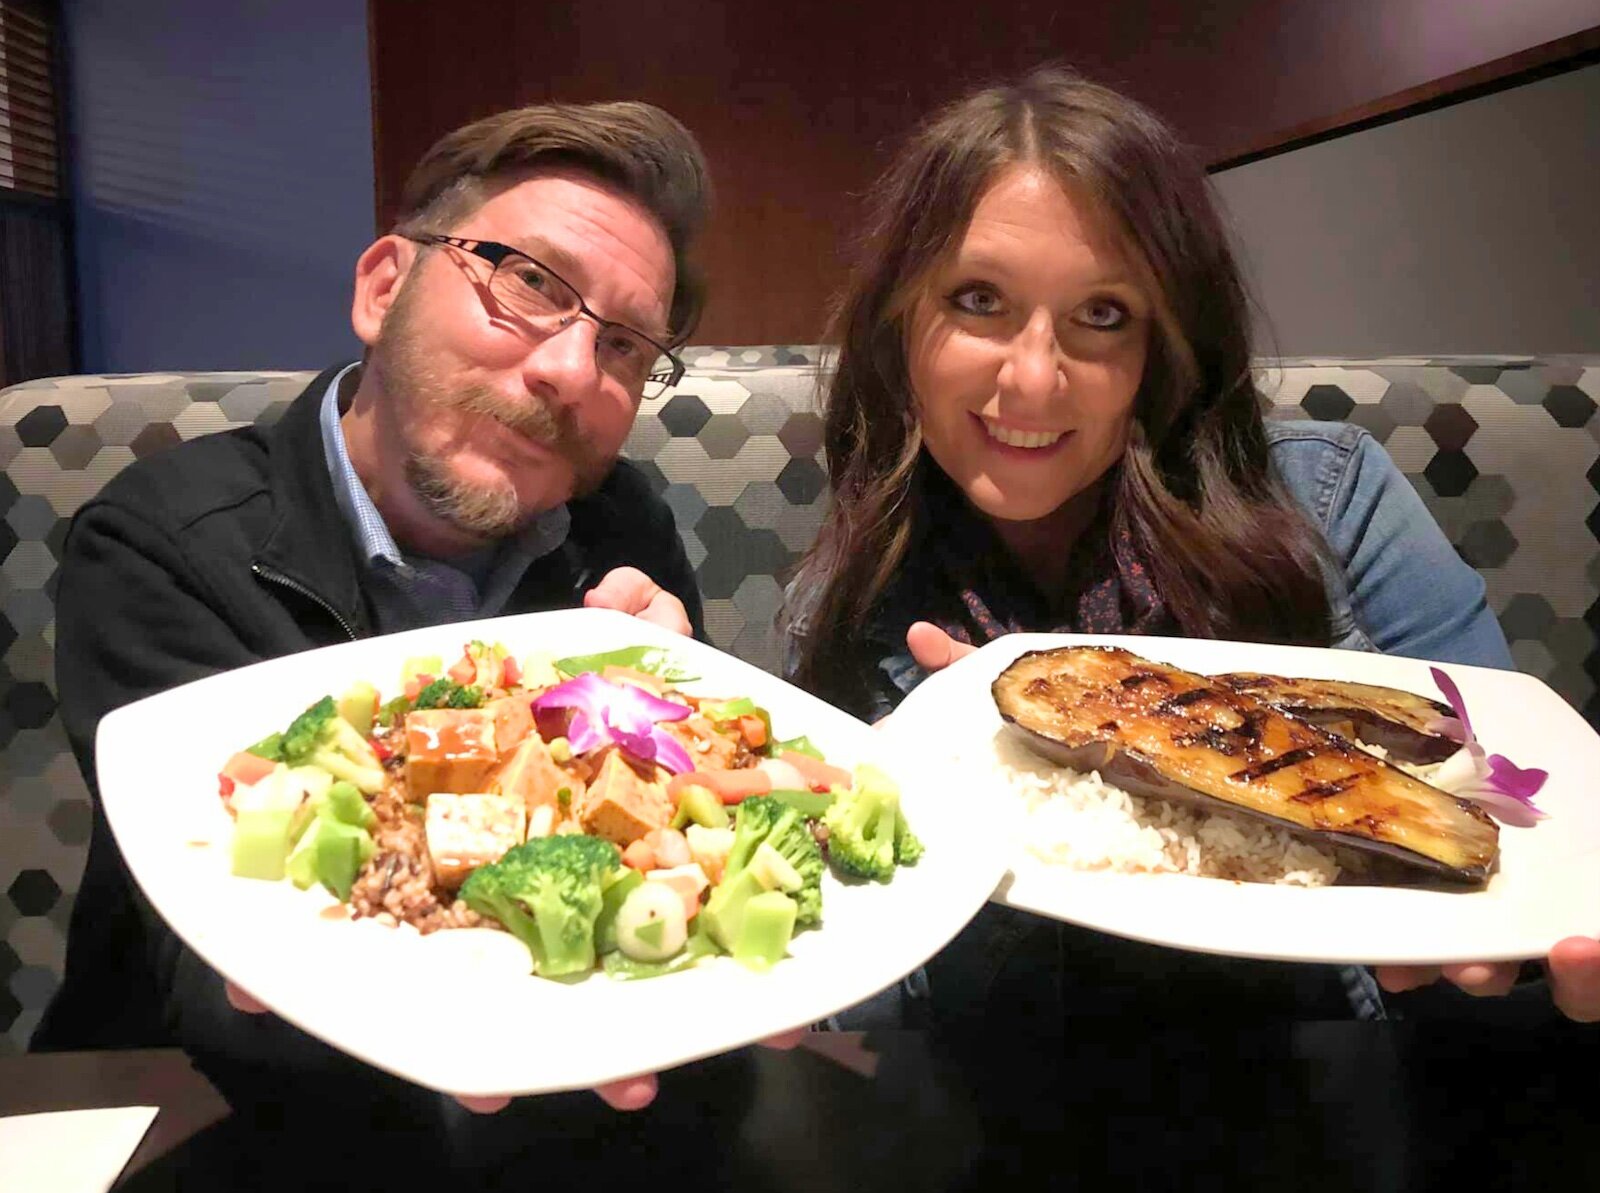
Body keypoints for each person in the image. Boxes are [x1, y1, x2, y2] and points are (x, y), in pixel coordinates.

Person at [779, 66, 1597, 1177]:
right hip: (984, 1107)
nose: (1032, 378)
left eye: (1101, 316)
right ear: (899, 322)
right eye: (978, 300)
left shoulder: (1333, 500)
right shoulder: (853, 580)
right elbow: (852, 954)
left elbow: (1516, 811)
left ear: (1165, 345)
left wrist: (1527, 967)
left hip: (1319, 1081)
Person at [34, 98, 793, 1178]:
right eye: (530, 282)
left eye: (624, 344)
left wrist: (683, 725)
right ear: (383, 285)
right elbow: (194, 960)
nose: (572, 371)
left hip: (560, 1119)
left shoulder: (623, 526)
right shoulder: (159, 542)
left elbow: (659, 863)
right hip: (213, 1111)